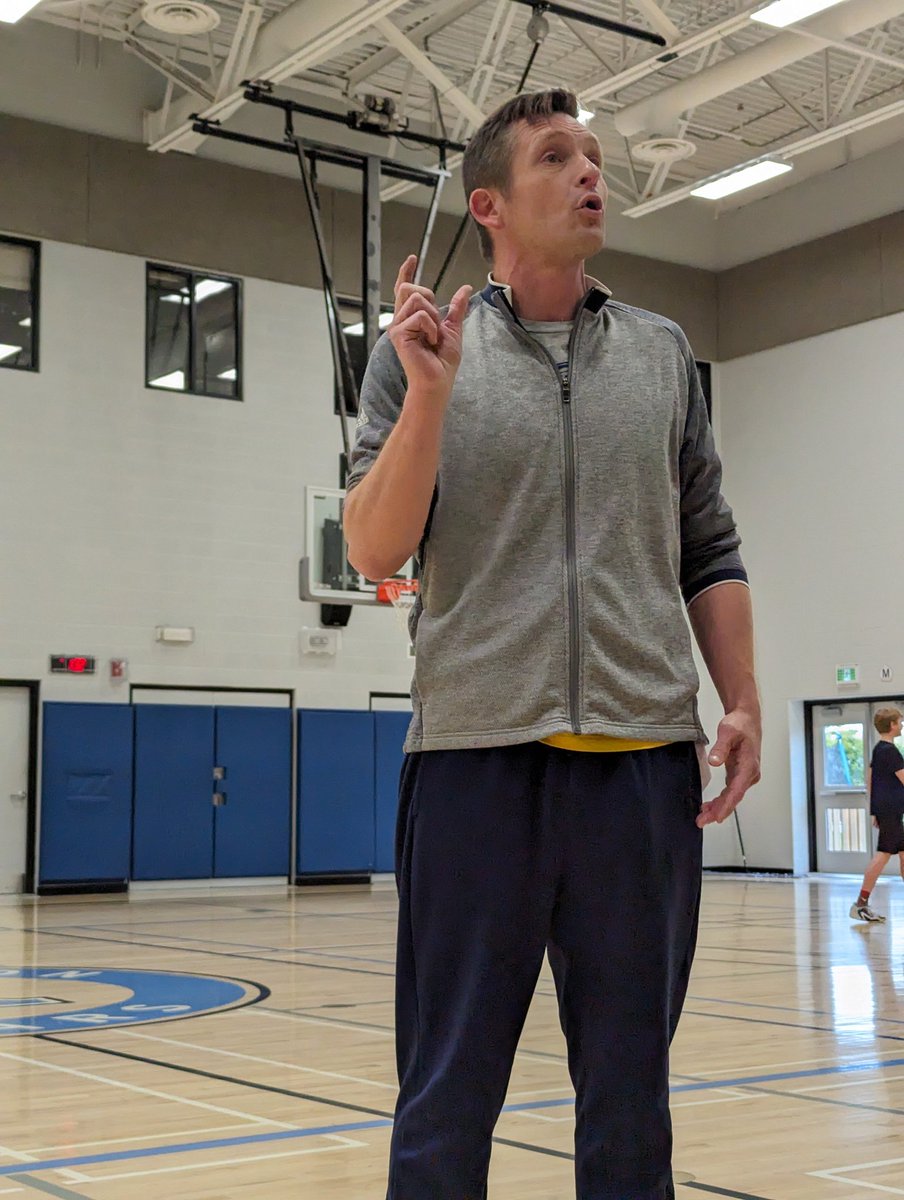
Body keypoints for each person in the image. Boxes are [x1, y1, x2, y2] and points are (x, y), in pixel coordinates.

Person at [344, 89, 761, 1200]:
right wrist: (430, 393)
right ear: (488, 203)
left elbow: (708, 547)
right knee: (446, 1094)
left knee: (630, 1103)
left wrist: (743, 700)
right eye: (555, 156)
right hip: (475, 767)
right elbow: (371, 546)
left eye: (593, 156)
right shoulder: (420, 352)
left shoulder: (665, 355)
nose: (590, 173)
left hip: (640, 776)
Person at [851, 706, 904, 922]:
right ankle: (860, 904)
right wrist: (879, 811)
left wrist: (875, 811)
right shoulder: (890, 751)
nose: (901, 725)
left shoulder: (878, 749)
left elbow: (870, 779)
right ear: (892, 725)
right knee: (882, 855)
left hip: (888, 811)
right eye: (899, 721)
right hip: (891, 811)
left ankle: (861, 903)